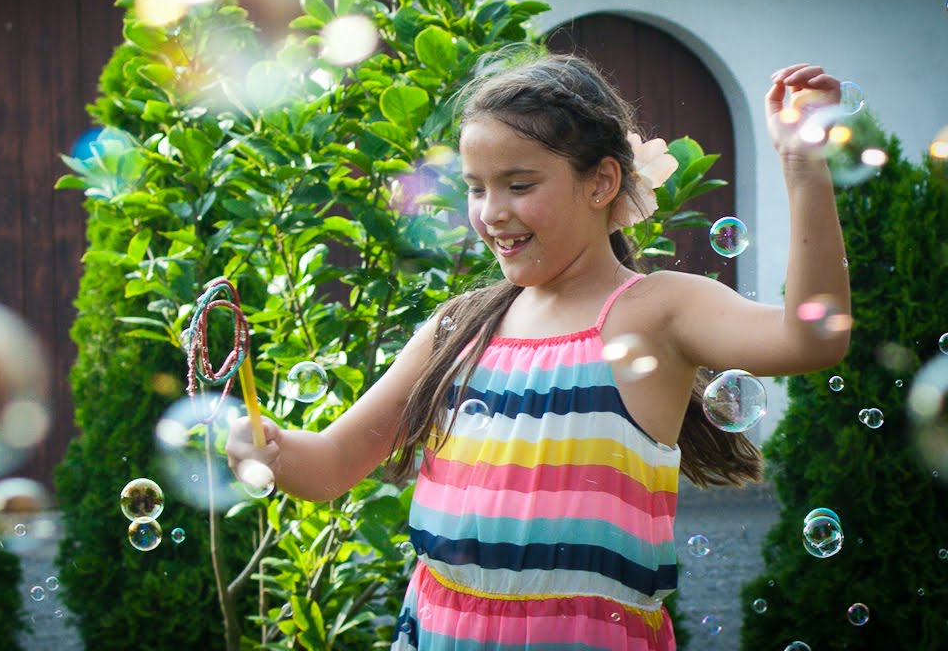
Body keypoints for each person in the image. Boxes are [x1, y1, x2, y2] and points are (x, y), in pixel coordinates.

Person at [226, 51, 852, 650]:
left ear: (602, 181)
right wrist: (274, 450)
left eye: (519, 184)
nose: (492, 212)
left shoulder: (656, 312)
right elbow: (332, 464)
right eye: (476, 188)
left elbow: (812, 335)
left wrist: (802, 165)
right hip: (440, 631)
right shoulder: (460, 328)